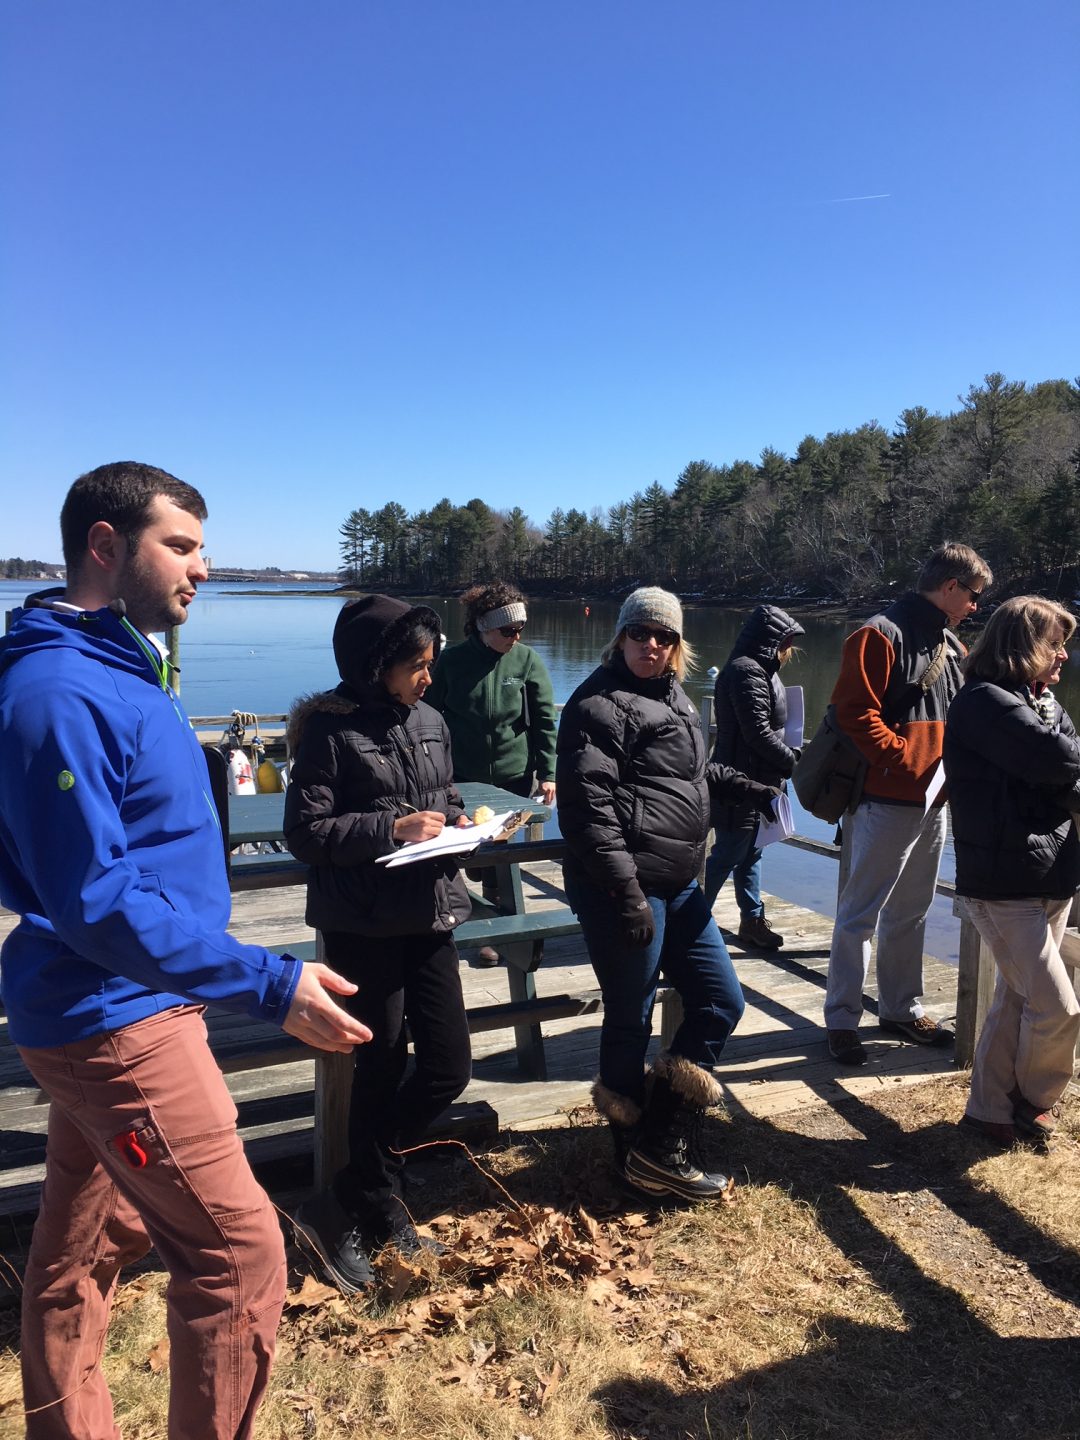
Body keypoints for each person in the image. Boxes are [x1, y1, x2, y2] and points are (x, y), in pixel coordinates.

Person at [0, 462, 370, 1440]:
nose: (204, 569)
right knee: (240, 1258)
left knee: (80, 1256)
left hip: (119, 1001)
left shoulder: (121, 665)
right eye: (183, 545)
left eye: (204, 548)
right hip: (117, 1019)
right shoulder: (55, 694)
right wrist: (270, 980)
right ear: (104, 547)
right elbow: (92, 899)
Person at [556, 587, 780, 1201]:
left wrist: (745, 786)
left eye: (663, 637)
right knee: (630, 1016)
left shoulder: (675, 698)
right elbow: (587, 813)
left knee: (720, 999)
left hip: (681, 883)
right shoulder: (595, 705)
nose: (650, 646)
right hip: (623, 887)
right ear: (620, 636)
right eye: (639, 634)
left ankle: (662, 1138)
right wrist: (626, 894)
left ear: (677, 646)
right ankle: (633, 1154)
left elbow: (689, 771)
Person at [284, 595, 474, 1293]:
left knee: (449, 1065)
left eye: (431, 663)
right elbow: (306, 835)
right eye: (415, 666)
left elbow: (443, 795)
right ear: (376, 666)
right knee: (382, 1061)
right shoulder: (329, 733)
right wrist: (391, 830)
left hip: (428, 914)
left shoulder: (431, 720)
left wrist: (461, 825)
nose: (428, 677)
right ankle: (369, 1205)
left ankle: (360, 1185)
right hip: (362, 923)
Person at [823, 541, 993, 1066]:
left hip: (932, 801)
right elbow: (854, 714)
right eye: (974, 596)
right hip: (885, 800)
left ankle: (900, 1009)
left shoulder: (951, 645)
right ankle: (842, 1020)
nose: (975, 607)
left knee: (912, 911)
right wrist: (904, 759)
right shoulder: (880, 633)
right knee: (859, 915)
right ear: (950, 587)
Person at [945, 597, 1080, 1146]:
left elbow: (1063, 761)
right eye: (1055, 644)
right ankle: (1034, 1100)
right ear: (1023, 646)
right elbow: (1059, 760)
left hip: (1051, 875)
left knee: (1015, 998)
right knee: (1059, 1007)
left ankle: (988, 1109)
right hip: (1003, 885)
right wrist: (1059, 768)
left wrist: (1059, 767)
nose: (1064, 657)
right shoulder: (983, 703)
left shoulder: (1039, 703)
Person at [426, 580, 558, 964]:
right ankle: (469, 914)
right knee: (468, 852)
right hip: (461, 777)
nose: (515, 638)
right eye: (507, 630)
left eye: (520, 629)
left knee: (502, 853)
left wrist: (547, 772)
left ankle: (496, 934)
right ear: (483, 626)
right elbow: (429, 719)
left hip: (514, 776)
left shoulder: (527, 661)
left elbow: (545, 721)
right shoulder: (450, 661)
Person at [703, 605, 805, 950]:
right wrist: (792, 761)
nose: (789, 649)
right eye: (788, 641)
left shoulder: (759, 669)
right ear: (773, 639)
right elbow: (757, 733)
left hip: (760, 781)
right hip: (739, 783)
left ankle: (751, 921)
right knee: (728, 853)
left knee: (752, 853)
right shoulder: (746, 672)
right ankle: (692, 920)